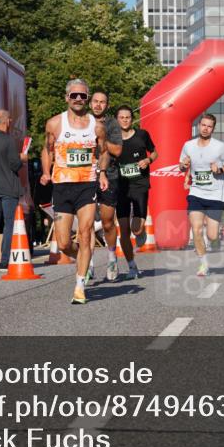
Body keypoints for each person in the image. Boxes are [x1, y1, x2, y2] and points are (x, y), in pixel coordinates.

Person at [40, 79, 109, 304]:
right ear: (66, 97)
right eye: (74, 95)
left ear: (87, 98)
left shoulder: (96, 126)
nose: (78, 99)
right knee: (63, 243)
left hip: (86, 185)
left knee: (86, 232)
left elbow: (104, 151)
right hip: (61, 186)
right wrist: (45, 171)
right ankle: (82, 257)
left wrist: (102, 173)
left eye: (82, 95)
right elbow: (47, 149)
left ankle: (80, 285)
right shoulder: (54, 124)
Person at [179, 114, 224, 277]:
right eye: (203, 125)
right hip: (196, 192)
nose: (205, 128)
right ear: (198, 126)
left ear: (213, 129)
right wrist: (183, 166)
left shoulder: (219, 147)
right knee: (196, 230)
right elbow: (182, 166)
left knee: (212, 235)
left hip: (215, 195)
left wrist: (220, 170)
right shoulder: (188, 146)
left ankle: (214, 239)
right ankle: (204, 265)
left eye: (209, 126)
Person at [114, 105, 157, 281]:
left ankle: (140, 232)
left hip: (139, 184)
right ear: (117, 119)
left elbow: (155, 153)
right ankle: (132, 265)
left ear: (132, 119)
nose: (125, 120)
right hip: (121, 186)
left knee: (136, 228)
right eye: (121, 117)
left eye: (128, 117)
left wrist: (148, 160)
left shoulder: (142, 135)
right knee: (123, 230)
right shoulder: (112, 138)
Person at [0, 109, 29, 270]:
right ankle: (5, 260)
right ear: (7, 121)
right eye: (10, 120)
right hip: (8, 188)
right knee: (9, 224)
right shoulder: (8, 141)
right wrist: (22, 158)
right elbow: (15, 164)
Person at [90, 91, 124, 282]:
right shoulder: (81, 121)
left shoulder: (112, 124)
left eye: (102, 102)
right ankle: (88, 263)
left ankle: (112, 257)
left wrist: (100, 137)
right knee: (85, 224)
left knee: (107, 221)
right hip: (85, 176)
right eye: (95, 101)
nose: (98, 105)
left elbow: (118, 150)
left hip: (109, 175)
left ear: (107, 105)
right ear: (89, 103)